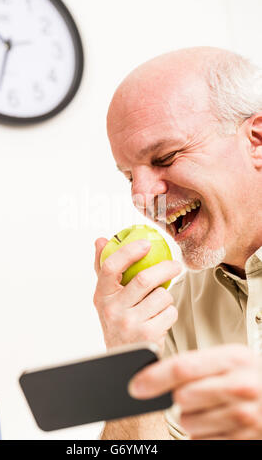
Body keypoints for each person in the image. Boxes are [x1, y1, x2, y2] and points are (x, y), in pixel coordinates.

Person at [93, 47, 262, 440]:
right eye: (128, 177)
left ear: (256, 141)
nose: (141, 197)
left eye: (165, 157)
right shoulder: (168, 313)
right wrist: (129, 362)